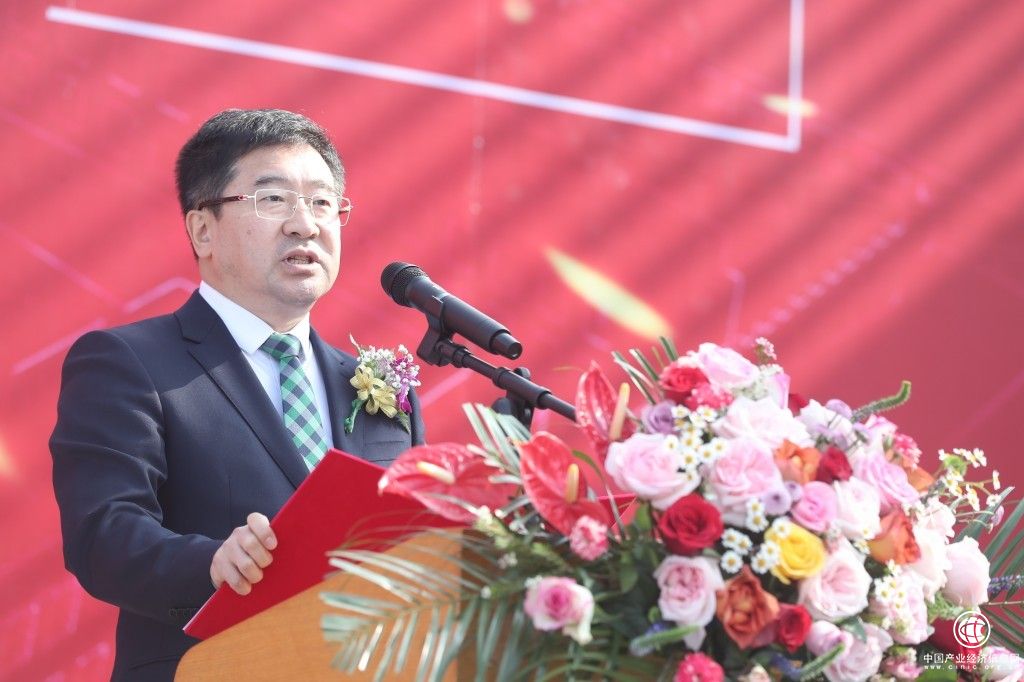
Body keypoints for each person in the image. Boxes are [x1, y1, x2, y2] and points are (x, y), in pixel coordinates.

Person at [50, 108, 425, 681]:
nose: (305, 225)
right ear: (202, 229)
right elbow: (103, 534)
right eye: (273, 199)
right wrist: (214, 563)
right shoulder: (129, 362)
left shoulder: (381, 392)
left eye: (323, 202)